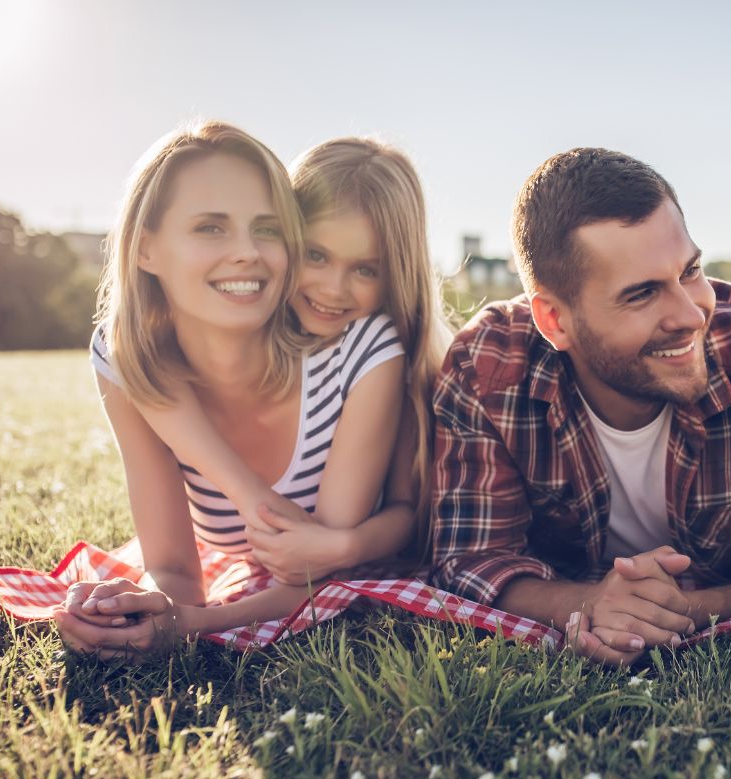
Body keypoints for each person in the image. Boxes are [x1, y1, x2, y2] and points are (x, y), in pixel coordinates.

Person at [430, 147, 731, 667]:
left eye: (691, 270)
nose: (691, 314)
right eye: (642, 294)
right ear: (554, 321)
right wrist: (587, 605)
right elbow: (471, 558)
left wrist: (690, 609)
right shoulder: (486, 366)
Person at [55, 124, 447, 658]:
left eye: (264, 229)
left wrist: (188, 623)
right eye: (211, 228)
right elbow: (172, 566)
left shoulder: (361, 349)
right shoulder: (128, 359)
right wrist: (145, 613)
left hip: (358, 554)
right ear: (146, 249)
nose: (245, 252)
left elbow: (316, 572)